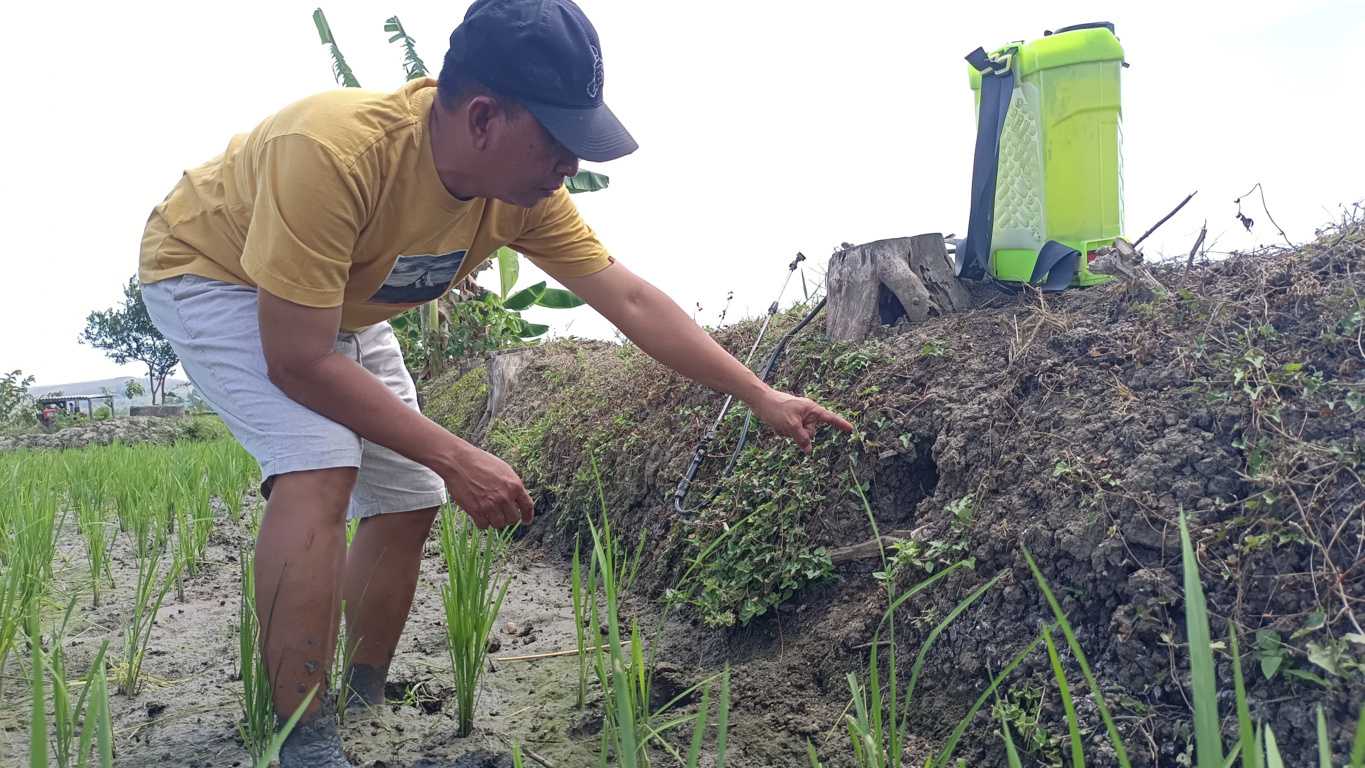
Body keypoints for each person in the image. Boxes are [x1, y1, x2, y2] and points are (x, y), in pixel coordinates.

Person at [138, 0, 852, 764]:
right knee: (317, 463)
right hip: (215, 274)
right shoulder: (332, 150)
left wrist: (757, 394)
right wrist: (459, 454)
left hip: (339, 299)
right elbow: (297, 362)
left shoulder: (521, 200)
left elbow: (630, 299)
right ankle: (302, 740)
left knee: (409, 494)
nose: (569, 166)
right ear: (483, 118)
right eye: (557, 142)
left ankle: (362, 695)